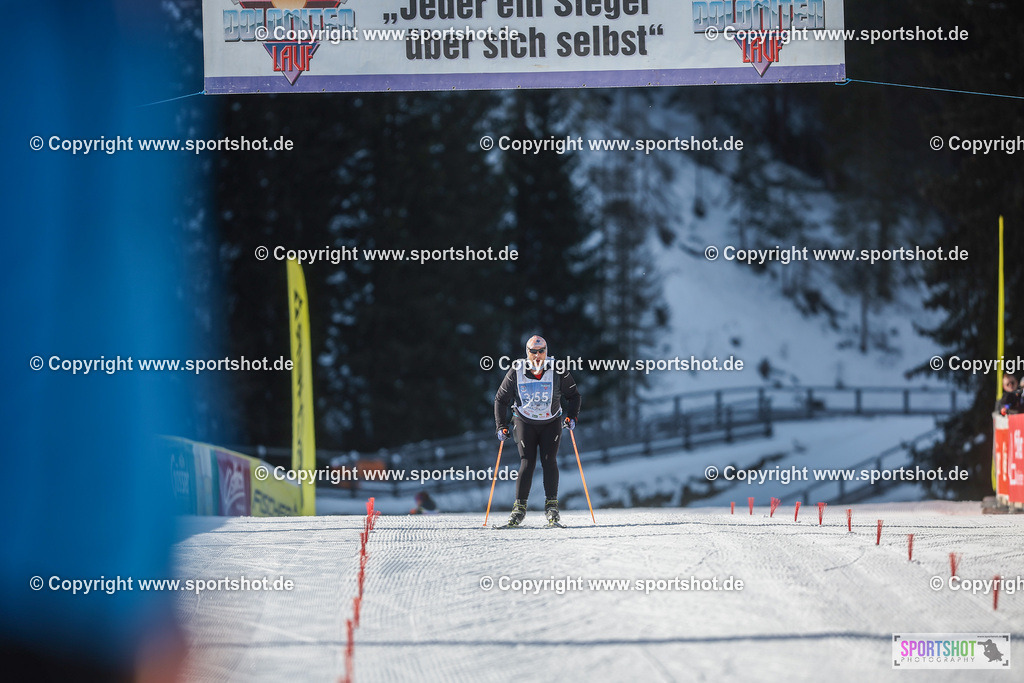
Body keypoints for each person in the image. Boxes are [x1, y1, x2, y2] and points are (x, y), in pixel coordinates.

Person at [493, 335, 581, 527]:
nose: (538, 356)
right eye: (533, 352)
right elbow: (501, 399)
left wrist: (572, 416)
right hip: (525, 421)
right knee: (527, 461)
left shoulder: (558, 368)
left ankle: (551, 506)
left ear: (546, 352)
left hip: (551, 422)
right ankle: (519, 509)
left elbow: (573, 396)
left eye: (542, 351)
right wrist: (501, 426)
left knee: (549, 461)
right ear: (527, 353)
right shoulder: (516, 370)